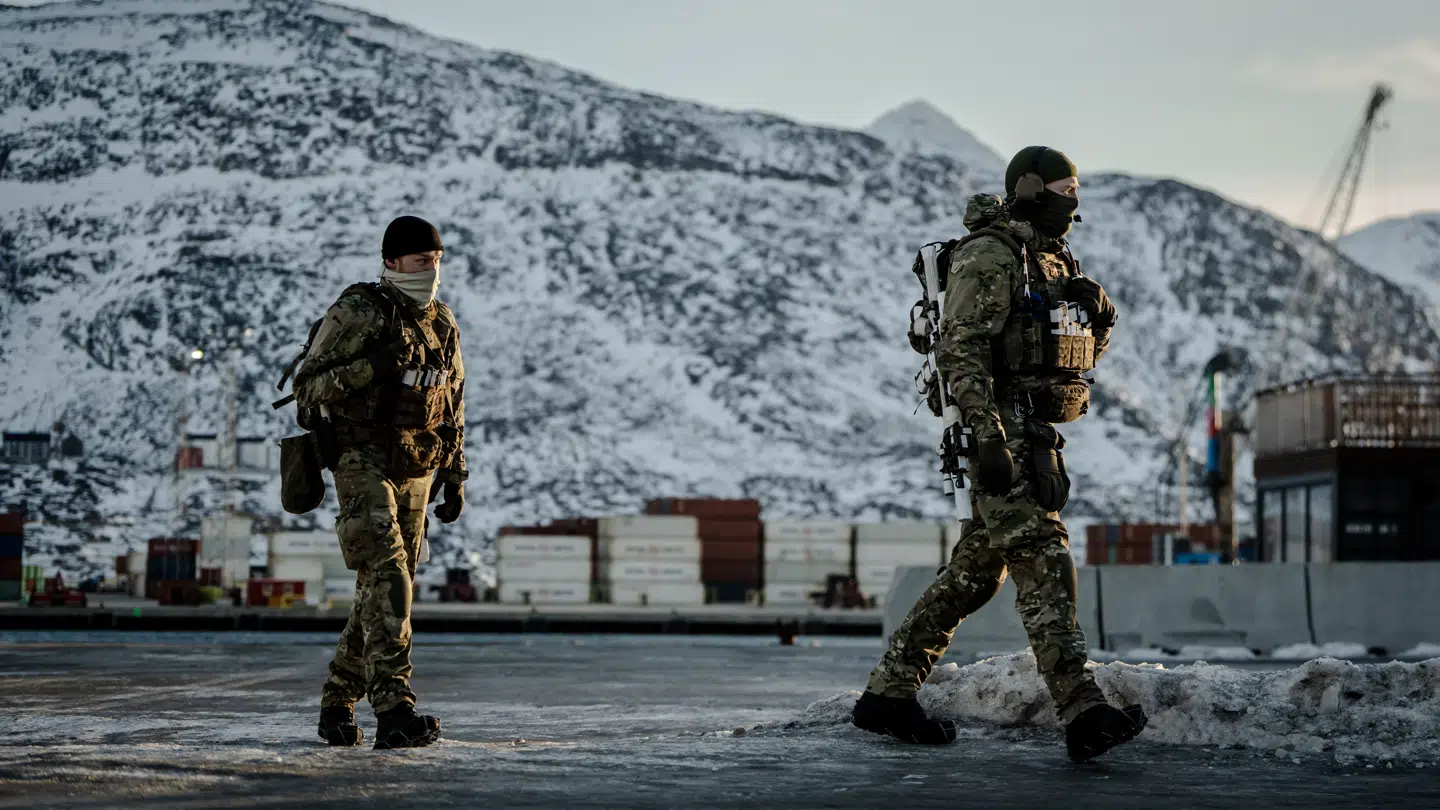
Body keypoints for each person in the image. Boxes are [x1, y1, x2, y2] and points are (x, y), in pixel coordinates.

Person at [852, 146, 1147, 762]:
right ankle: (1081, 708)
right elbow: (961, 352)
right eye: (1065, 188)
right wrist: (986, 437)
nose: (1074, 201)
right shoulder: (991, 255)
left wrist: (1101, 311)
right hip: (1002, 433)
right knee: (1043, 556)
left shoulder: (1052, 259)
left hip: (1035, 434)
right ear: (1033, 188)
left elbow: (1075, 350)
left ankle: (889, 692)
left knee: (976, 573)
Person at [293, 215, 468, 750]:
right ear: (391, 261)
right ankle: (394, 709)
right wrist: (377, 366)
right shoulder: (359, 311)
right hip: (361, 460)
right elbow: (307, 387)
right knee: (389, 575)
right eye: (420, 263)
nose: (430, 273)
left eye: (436, 263)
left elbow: (453, 400)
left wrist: (456, 473)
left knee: (382, 589)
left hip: (416, 464)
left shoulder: (440, 322)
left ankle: (337, 701)